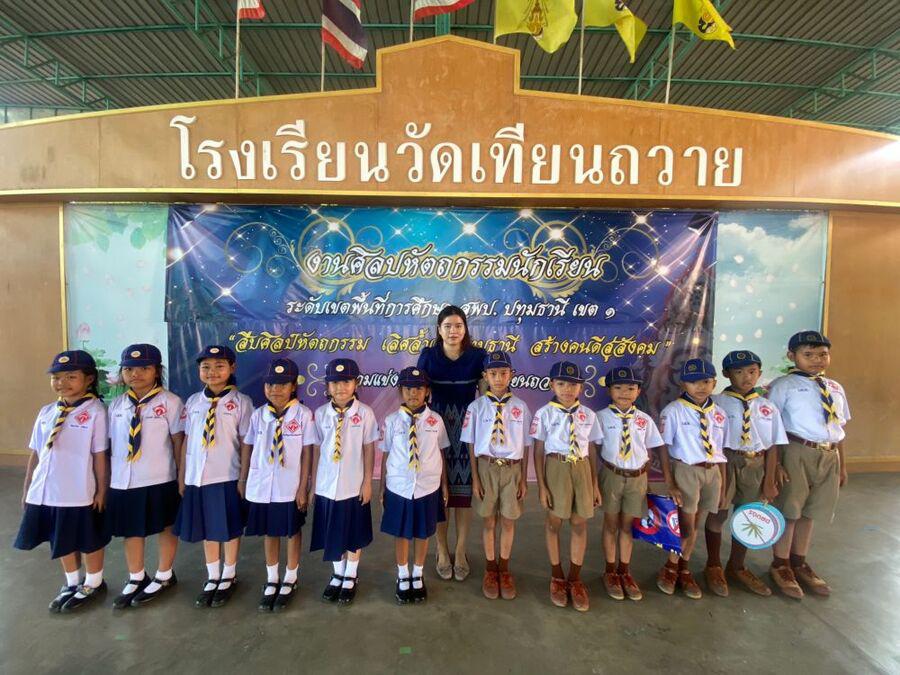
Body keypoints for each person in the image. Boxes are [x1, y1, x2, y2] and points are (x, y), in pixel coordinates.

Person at [14, 350, 110, 613]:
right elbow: (36, 453)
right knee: (60, 537)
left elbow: (100, 455)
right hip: (46, 490)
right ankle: (72, 582)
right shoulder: (47, 411)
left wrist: (102, 490)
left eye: (71, 376)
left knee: (89, 538)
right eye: (56, 377)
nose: (62, 383)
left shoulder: (95, 412)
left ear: (89, 379)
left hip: (79, 490)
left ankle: (93, 583)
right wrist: (27, 488)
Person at [766, 331, 850, 599]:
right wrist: (775, 465)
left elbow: (839, 427)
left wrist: (842, 465)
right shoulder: (783, 386)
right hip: (796, 451)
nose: (817, 360)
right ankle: (780, 564)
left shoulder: (834, 387)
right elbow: (772, 427)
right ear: (792, 356)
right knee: (790, 510)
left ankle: (799, 562)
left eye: (822, 354)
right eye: (808, 354)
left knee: (810, 511)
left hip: (828, 454)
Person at [106, 343, 184, 608]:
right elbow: (110, 444)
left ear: (157, 371)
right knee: (131, 529)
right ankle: (137, 576)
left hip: (160, 477)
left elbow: (178, 442)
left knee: (166, 525)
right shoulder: (116, 405)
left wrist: (180, 476)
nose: (135, 374)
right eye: (129, 369)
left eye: (143, 368)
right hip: (124, 479)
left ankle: (165, 574)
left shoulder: (170, 402)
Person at [174, 345, 252, 608]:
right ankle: (213, 575)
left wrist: (243, 478)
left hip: (226, 475)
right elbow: (187, 440)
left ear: (232, 368)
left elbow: (246, 443)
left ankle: (229, 574)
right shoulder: (194, 402)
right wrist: (182, 475)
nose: (212, 372)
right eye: (206, 367)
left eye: (219, 366)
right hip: (197, 477)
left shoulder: (241, 402)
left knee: (228, 527)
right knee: (207, 527)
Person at [706, 350, 788, 597]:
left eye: (752, 372)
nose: (746, 377)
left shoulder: (767, 407)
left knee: (747, 515)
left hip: (756, 463)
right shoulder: (716, 403)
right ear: (726, 374)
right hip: (726, 460)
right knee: (718, 512)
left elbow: (773, 446)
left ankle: (737, 566)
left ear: (759, 373)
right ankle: (713, 565)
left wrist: (769, 480)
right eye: (739, 372)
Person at [239, 358, 317, 612]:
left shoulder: (303, 415)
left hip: (289, 486)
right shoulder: (258, 415)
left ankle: (291, 577)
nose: (275, 389)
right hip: (262, 486)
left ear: (293, 386)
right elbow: (248, 447)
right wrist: (243, 478)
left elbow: (307, 453)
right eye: (271, 384)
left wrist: (303, 487)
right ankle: (272, 578)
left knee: (292, 531)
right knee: (270, 532)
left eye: (282, 384)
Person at [416, 306, 487, 582]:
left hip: (467, 430)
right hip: (436, 428)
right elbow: (419, 395)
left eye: (458, 325)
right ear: (439, 329)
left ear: (465, 328)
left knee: (463, 495)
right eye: (447, 326)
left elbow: (486, 396)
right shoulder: (428, 356)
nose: (453, 331)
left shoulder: (478, 356)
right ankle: (442, 550)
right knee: (439, 492)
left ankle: (460, 550)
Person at [531, 361, 602, 612]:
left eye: (573, 384)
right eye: (561, 384)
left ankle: (575, 578)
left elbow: (591, 450)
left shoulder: (588, 415)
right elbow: (538, 451)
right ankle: (557, 575)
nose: (567, 389)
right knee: (554, 522)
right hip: (556, 467)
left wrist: (594, 484)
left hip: (581, 469)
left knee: (580, 523)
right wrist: (542, 487)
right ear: (552, 385)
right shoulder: (544, 414)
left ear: (581, 387)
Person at [461, 351, 531, 601]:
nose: (498, 378)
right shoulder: (476, 407)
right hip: (486, 468)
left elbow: (526, 444)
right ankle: (491, 569)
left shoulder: (521, 407)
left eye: (503, 373)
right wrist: (475, 478)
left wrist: (523, 478)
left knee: (509, 521)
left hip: (512, 469)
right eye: (493, 374)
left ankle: (504, 568)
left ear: (511, 374)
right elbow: (470, 443)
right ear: (485, 376)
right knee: (489, 521)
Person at [657, 358, 728, 600]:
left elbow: (721, 449)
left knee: (697, 521)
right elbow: (663, 448)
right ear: (683, 384)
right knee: (685, 525)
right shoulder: (673, 411)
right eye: (693, 382)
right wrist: (670, 482)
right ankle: (670, 566)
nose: (700, 386)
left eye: (706, 381)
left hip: (712, 472)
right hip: (686, 470)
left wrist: (722, 483)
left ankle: (684, 568)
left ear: (714, 383)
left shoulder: (719, 413)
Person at [310, 358, 378, 605]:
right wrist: (313, 485)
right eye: (335, 383)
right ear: (327, 386)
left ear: (356, 384)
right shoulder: (320, 414)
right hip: (327, 485)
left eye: (346, 381)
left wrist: (367, 482)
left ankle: (351, 574)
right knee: (332, 531)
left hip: (353, 484)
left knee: (353, 531)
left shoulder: (365, 413)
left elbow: (369, 449)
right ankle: (337, 573)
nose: (341, 387)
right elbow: (317, 449)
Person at [379, 367, 449, 604]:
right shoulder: (391, 421)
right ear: (400, 391)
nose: (413, 393)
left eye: (419, 388)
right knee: (401, 533)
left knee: (422, 531)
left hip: (427, 486)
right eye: (408, 388)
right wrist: (382, 487)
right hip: (398, 486)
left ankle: (417, 574)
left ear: (427, 391)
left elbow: (440, 452)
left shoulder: (435, 420)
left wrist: (444, 485)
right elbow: (386, 454)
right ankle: (402, 574)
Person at [596, 366, 664, 602]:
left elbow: (651, 448)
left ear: (638, 391)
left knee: (627, 525)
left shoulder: (644, 420)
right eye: (618, 388)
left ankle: (624, 571)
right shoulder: (600, 418)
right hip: (612, 475)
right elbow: (594, 448)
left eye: (630, 388)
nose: (624, 393)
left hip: (637, 478)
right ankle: (610, 571)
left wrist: (645, 472)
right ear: (609, 391)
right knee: (610, 524)